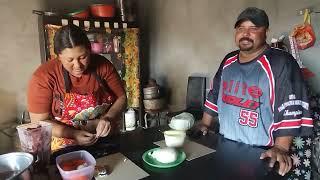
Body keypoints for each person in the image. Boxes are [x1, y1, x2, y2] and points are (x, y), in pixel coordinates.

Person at [197, 7, 313, 177]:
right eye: (240, 29)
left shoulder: (281, 62)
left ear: (266, 31)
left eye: (253, 28)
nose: (245, 34)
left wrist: (281, 147)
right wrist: (205, 123)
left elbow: (291, 106)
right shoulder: (228, 60)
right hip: (226, 144)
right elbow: (215, 93)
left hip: (261, 152)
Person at [27, 24, 127, 152]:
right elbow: (39, 122)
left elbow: (122, 97)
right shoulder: (44, 77)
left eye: (83, 57)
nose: (78, 65)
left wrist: (109, 117)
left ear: (90, 49)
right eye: (70, 60)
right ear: (58, 55)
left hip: (104, 138)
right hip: (63, 147)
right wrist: (73, 134)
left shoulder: (103, 66)